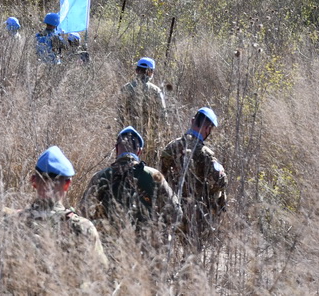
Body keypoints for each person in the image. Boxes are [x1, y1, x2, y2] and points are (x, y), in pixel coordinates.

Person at [79, 127, 179, 244]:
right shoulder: (154, 176)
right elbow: (175, 211)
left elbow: (83, 212)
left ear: (116, 149)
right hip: (145, 249)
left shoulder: (100, 177)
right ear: (139, 151)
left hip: (110, 247)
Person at [14, 146, 108, 267]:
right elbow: (101, 273)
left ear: (33, 181)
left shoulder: (12, 224)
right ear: (67, 185)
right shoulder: (83, 229)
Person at [160, 107, 227, 247]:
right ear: (208, 128)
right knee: (191, 256)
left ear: (192, 121)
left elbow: (161, 176)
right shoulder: (206, 154)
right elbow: (221, 182)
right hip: (194, 214)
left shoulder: (171, 147)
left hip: (170, 209)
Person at [118, 57, 168, 162]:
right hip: (150, 138)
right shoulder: (156, 91)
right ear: (151, 72)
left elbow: (120, 115)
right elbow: (163, 117)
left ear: (137, 70)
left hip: (128, 137)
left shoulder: (125, 88)